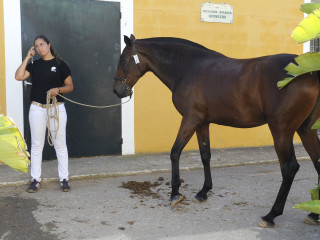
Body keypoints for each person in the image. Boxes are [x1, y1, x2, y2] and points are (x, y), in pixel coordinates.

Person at [15, 35, 74, 193]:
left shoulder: (61, 65)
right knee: (36, 145)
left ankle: (64, 179)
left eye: (42, 44)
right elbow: (18, 76)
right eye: (36, 46)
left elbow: (70, 86)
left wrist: (58, 89)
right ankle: (35, 179)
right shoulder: (35, 65)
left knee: (60, 144)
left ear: (49, 45)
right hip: (37, 109)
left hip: (57, 108)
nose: (40, 48)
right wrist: (27, 57)